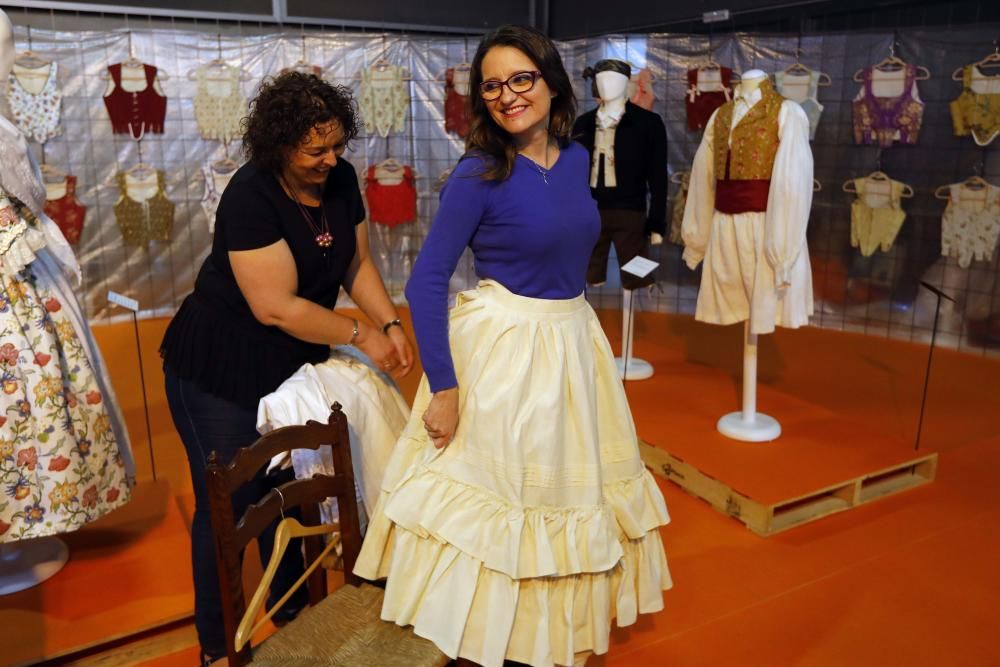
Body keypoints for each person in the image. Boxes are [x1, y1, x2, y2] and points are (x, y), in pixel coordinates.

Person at [354, 25, 671, 667]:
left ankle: (546, 634)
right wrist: (444, 387)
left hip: (572, 340)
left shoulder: (578, 157)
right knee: (504, 503)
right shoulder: (478, 173)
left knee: (565, 493)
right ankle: (488, 635)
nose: (507, 95)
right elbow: (426, 280)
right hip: (505, 349)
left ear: (552, 82)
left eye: (520, 78)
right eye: (492, 85)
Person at [159, 72, 413, 664]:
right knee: (230, 502)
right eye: (315, 151)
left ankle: (295, 613)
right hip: (220, 369)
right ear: (278, 147)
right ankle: (219, 646)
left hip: (290, 361)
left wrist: (393, 324)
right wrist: (362, 334)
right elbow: (275, 306)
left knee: (290, 489)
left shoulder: (343, 179)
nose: (331, 160)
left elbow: (357, 263)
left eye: (337, 146)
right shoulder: (250, 196)